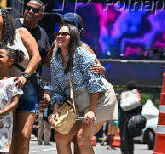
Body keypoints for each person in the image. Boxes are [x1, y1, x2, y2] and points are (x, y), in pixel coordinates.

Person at [0, 5, 41, 154]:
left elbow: (36, 57)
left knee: (24, 135)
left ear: (5, 17)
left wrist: (25, 76)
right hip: (5, 93)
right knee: (9, 137)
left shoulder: (20, 33)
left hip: (27, 88)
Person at [49, 24, 116, 154]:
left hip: (100, 100)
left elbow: (94, 81)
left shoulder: (81, 54)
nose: (60, 36)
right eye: (58, 34)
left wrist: (91, 111)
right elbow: (57, 90)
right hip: (77, 103)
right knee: (60, 137)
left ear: (73, 37)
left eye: (64, 34)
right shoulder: (55, 61)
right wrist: (55, 111)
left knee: (82, 138)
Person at [14, 0, 50, 75]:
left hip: (31, 79)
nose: (30, 11)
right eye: (28, 8)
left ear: (41, 16)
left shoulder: (42, 35)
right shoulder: (12, 25)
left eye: (35, 10)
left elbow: (45, 61)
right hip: (11, 76)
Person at [119, 81, 142, 154]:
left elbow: (120, 108)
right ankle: (130, 151)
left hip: (124, 120)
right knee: (130, 138)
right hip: (134, 121)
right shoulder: (136, 96)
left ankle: (125, 152)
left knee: (124, 137)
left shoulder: (124, 96)